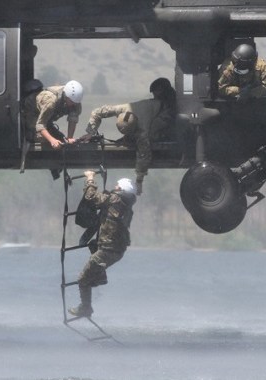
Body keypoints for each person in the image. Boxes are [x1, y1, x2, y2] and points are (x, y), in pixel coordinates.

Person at [80, 78, 177, 195]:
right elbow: (98, 112)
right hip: (149, 107)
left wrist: (139, 181)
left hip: (165, 110)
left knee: (155, 134)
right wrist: (90, 132)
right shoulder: (124, 109)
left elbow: (143, 155)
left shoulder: (143, 131)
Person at [68, 171, 137, 318]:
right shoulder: (127, 206)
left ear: (121, 189)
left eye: (117, 185)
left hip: (108, 250)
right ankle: (100, 276)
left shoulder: (114, 200)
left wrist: (90, 178)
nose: (115, 186)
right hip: (116, 250)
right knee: (93, 244)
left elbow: (91, 197)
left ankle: (85, 308)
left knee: (83, 279)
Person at [23, 80, 83, 149]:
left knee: (62, 140)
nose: (74, 104)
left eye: (75, 103)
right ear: (66, 96)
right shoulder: (50, 101)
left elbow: (73, 119)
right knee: (42, 139)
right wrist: (52, 140)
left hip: (46, 118)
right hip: (33, 113)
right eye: (72, 102)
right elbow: (40, 125)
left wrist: (69, 138)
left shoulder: (75, 101)